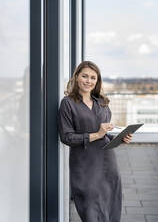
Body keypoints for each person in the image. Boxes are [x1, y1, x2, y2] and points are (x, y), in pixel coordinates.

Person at [58, 61, 132, 222]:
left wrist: (120, 139)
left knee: (111, 206)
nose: (88, 81)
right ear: (76, 77)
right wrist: (96, 134)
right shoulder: (67, 104)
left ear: (97, 81)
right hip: (84, 165)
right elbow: (66, 137)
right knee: (90, 211)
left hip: (107, 164)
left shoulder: (102, 103)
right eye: (84, 76)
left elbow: (105, 136)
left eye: (93, 78)